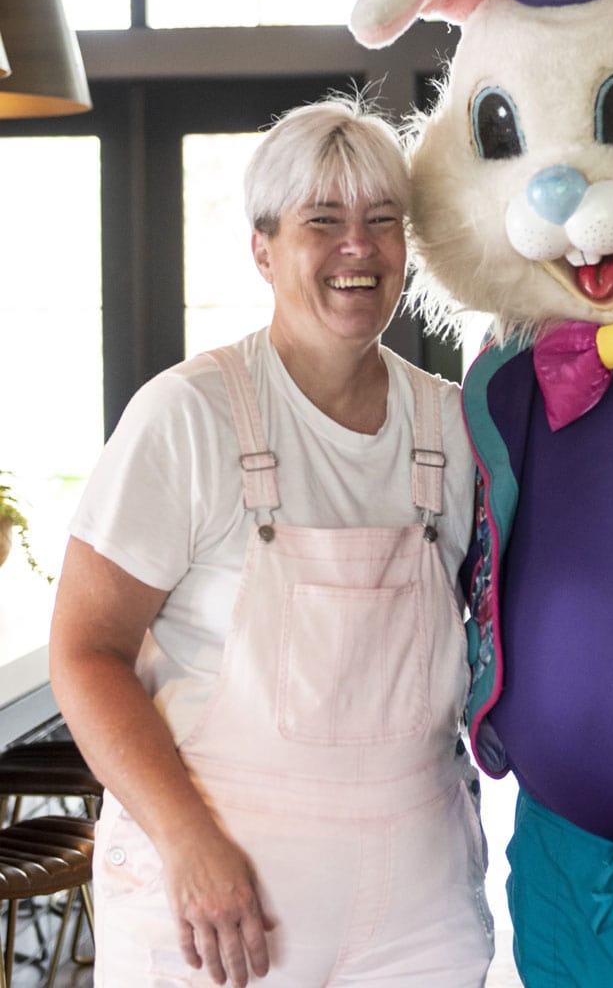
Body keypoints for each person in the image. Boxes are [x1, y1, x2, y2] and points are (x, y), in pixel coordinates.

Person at [49, 96, 494, 988]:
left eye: (382, 220)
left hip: (419, 909)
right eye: (321, 221)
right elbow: (85, 652)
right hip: (219, 904)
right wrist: (188, 842)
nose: (358, 247)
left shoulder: (453, 425)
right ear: (263, 250)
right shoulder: (190, 415)